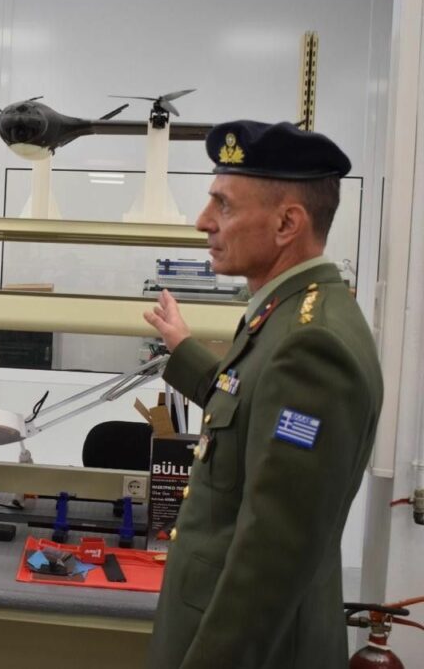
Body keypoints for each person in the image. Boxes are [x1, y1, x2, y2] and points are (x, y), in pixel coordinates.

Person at [143, 120, 383, 668]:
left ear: (286, 224)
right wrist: (183, 350)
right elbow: (250, 409)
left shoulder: (312, 344)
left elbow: (272, 555)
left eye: (224, 205)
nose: (204, 221)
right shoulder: (286, 317)